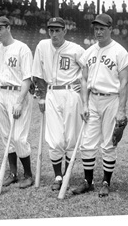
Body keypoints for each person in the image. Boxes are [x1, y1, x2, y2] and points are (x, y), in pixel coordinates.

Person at [72, 13, 128, 197]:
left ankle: (106, 182)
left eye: (102, 28)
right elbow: (83, 80)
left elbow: (124, 82)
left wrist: (121, 109)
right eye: (96, 28)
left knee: (108, 144)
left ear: (110, 29)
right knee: (87, 143)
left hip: (111, 99)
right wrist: (84, 104)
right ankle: (87, 182)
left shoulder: (119, 52)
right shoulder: (89, 51)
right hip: (93, 99)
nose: (98, 32)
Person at [32, 17, 84, 191]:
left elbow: (89, 71)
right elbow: (37, 74)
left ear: (64, 31)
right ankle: (58, 176)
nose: (54, 34)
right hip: (52, 93)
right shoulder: (42, 46)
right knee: (54, 139)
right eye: (51, 30)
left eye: (57, 30)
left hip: (71, 94)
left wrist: (82, 82)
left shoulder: (76, 49)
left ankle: (67, 173)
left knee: (71, 137)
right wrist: (41, 96)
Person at [0, 16, 34, 189]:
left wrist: (19, 101)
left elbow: (27, 78)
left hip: (17, 94)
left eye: (0, 28)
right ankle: (13, 173)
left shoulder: (22, 48)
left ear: (8, 28)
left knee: (19, 137)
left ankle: (28, 174)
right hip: (0, 92)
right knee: (6, 135)